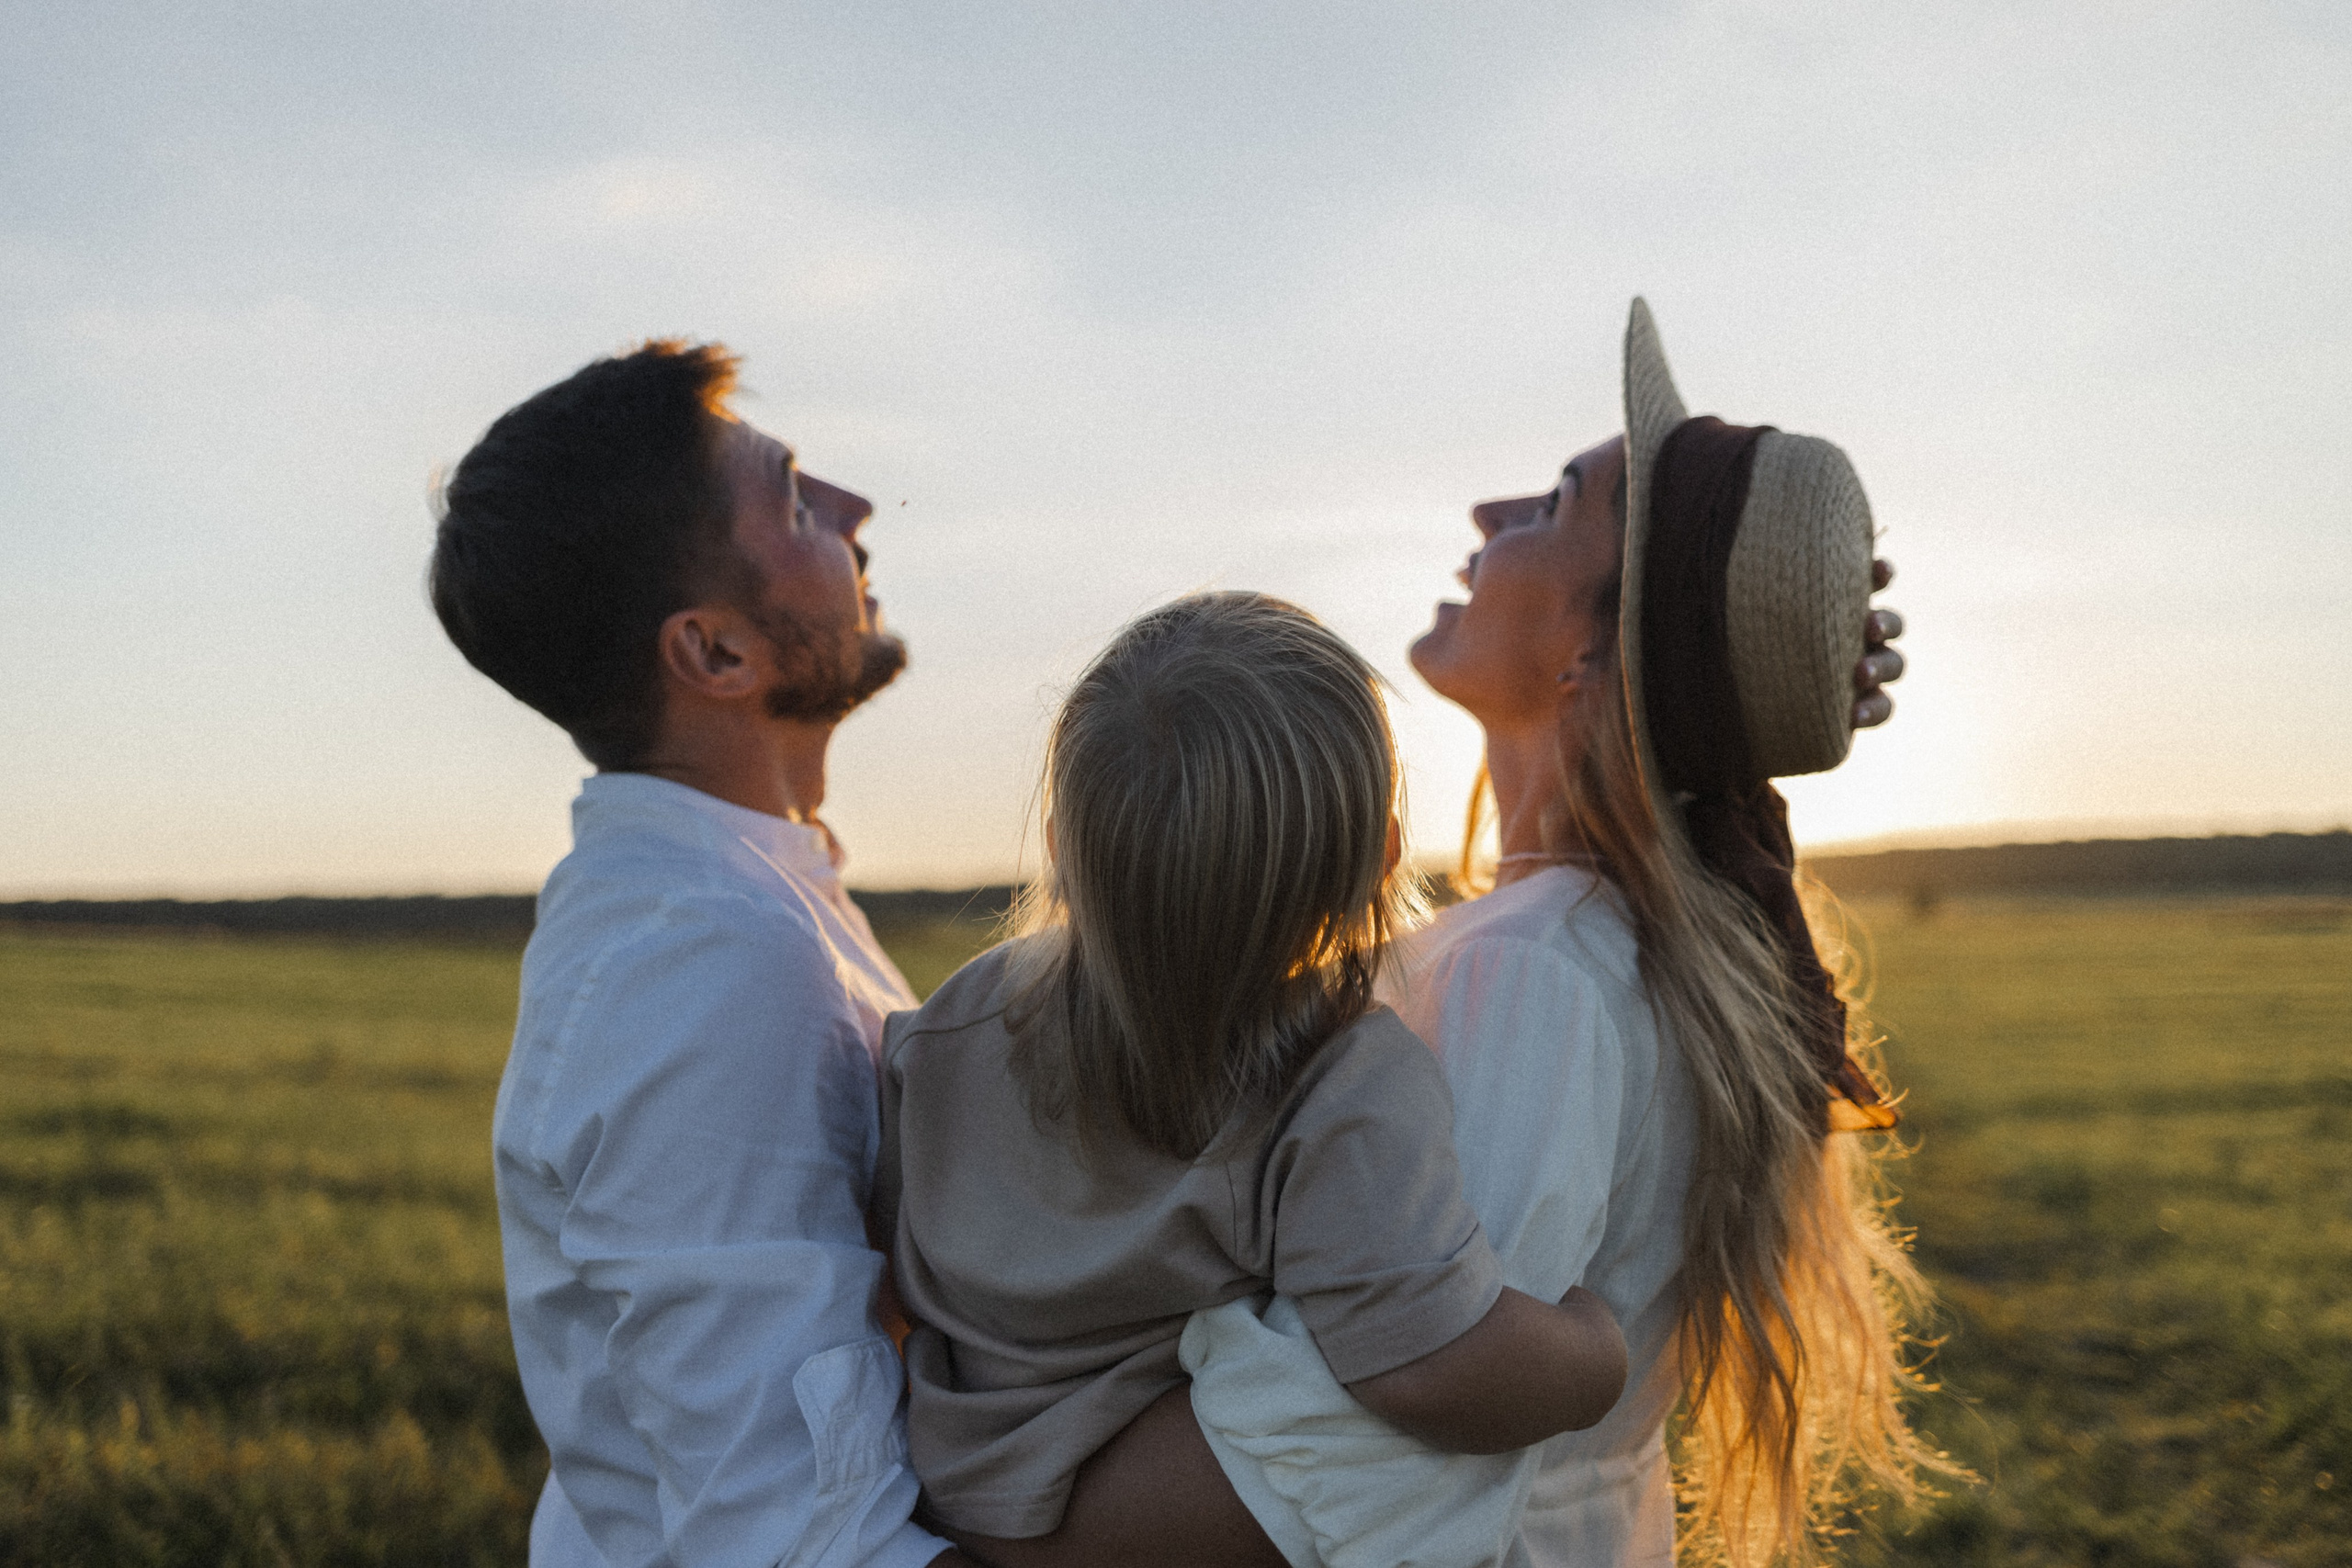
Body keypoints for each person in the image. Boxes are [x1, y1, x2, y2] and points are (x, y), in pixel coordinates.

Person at [1176, 299, 1939, 1568]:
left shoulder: (1532, 969)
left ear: (1595, 653)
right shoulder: (1604, 947)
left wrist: (1017, 1498)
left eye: (1549, 502)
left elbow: (1385, 1420)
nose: (1485, 518)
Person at [872, 594, 1630, 1560]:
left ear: (1063, 849)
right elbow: (1426, 1366)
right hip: (1131, 1516)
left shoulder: (963, 1015)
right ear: (1380, 861)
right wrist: (1592, 1353)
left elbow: (895, 1235)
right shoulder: (1339, 1077)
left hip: (950, 1491)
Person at [429, 341, 974, 1568]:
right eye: (791, 499)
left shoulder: (752, 890)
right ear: (716, 653)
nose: (852, 512)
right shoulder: (710, 955)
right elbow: (785, 1526)